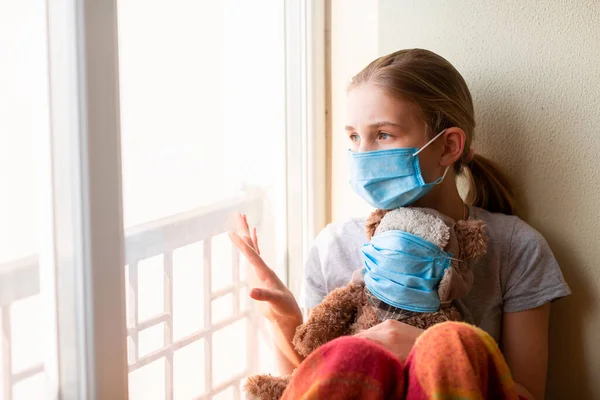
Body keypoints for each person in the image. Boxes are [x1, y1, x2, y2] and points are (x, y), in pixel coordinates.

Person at [229, 49, 570, 400]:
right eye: (353, 137)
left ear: (448, 146)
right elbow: (310, 388)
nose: (362, 154)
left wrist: (432, 350)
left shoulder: (516, 247)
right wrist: (283, 320)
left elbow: (528, 395)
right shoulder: (334, 245)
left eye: (383, 135)